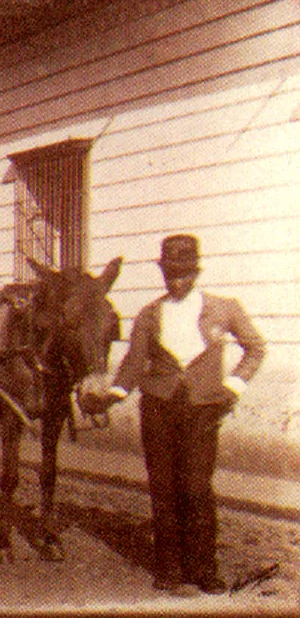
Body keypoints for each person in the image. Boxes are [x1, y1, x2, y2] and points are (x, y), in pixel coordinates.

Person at [104, 234, 266, 596]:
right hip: (158, 409)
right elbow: (134, 363)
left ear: (195, 273)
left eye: (183, 274)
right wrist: (114, 393)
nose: (176, 282)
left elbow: (255, 348)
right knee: (163, 488)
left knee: (196, 488)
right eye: (170, 274)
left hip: (203, 412)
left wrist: (234, 386)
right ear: (163, 273)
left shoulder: (224, 309)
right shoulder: (150, 314)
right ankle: (169, 568)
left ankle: (204, 568)